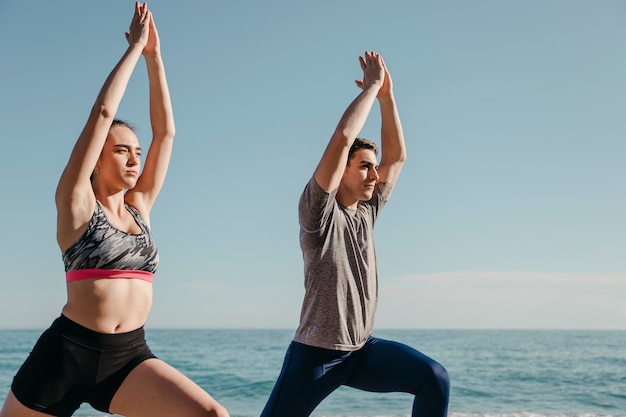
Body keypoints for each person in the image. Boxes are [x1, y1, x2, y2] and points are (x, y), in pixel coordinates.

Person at [0, 3, 229, 417]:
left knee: (211, 415)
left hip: (127, 358)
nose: (133, 159)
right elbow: (102, 113)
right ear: (97, 161)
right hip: (64, 357)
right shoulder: (76, 204)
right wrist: (133, 48)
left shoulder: (140, 207)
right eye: (121, 150)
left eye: (137, 153)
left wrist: (154, 58)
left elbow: (167, 132)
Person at [260, 51, 450, 417]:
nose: (374, 176)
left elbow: (396, 158)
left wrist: (387, 97)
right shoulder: (317, 213)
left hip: (361, 350)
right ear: (342, 170)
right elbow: (342, 138)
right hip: (316, 355)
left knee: (434, 377)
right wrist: (371, 88)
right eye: (364, 167)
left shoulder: (367, 211)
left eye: (373, 169)